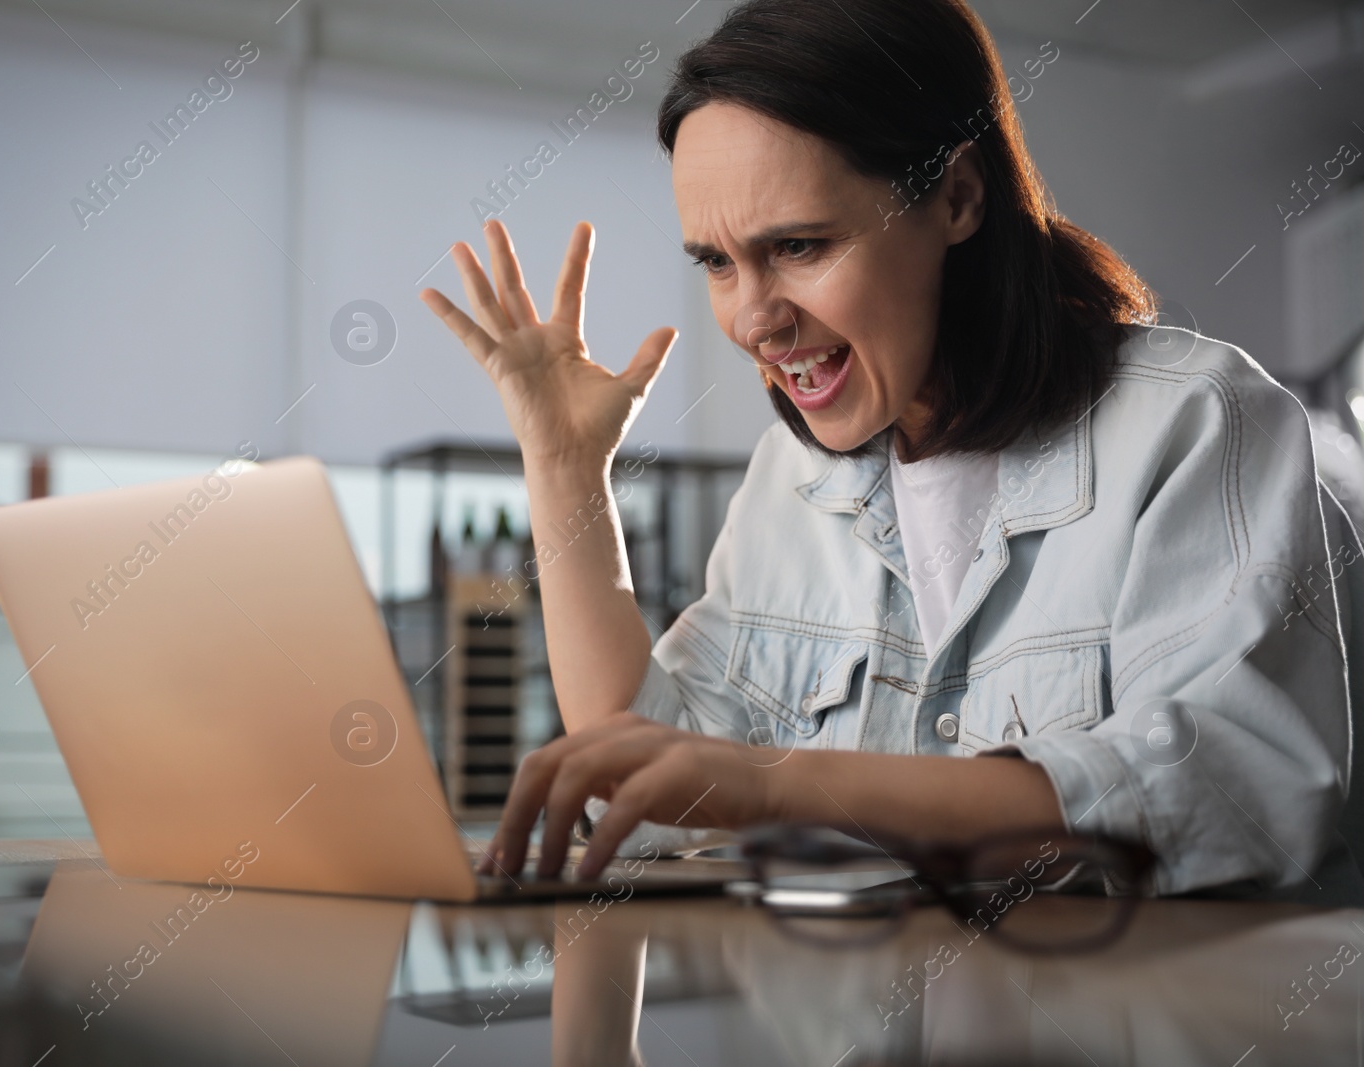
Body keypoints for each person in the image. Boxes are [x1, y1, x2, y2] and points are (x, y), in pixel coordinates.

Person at [419, 0, 1352, 897]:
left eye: (799, 245)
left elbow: (1232, 796)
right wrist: (566, 466)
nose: (753, 318)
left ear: (956, 197)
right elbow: (662, 786)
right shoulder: (793, 480)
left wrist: (784, 783)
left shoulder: (1196, 426)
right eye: (715, 261)